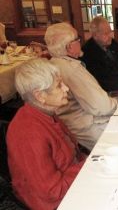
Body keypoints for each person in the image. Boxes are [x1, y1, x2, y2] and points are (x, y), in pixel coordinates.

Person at [7, 59, 86, 209]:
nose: (66, 88)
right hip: (54, 203)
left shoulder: (47, 112)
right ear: (39, 96)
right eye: (59, 86)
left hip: (72, 182)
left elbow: (74, 153)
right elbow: (53, 192)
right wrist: (89, 165)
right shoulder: (28, 133)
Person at [45, 22, 118, 150]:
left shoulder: (53, 64)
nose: (80, 42)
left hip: (73, 125)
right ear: (69, 47)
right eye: (77, 39)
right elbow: (102, 106)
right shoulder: (72, 69)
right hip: (88, 128)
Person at [81, 16, 118, 93]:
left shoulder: (113, 43)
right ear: (95, 35)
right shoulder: (88, 52)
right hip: (111, 91)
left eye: (110, 32)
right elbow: (98, 81)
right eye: (106, 33)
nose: (110, 36)